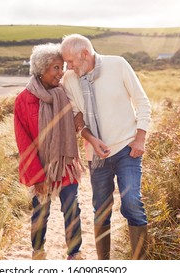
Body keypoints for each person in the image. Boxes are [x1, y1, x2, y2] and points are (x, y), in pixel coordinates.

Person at [60, 34, 152, 260]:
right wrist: (91, 140)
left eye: (70, 61)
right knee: (101, 211)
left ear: (85, 54)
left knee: (132, 203)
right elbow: (77, 120)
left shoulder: (118, 64)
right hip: (97, 156)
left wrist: (140, 139)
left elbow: (142, 102)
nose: (67, 66)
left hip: (127, 149)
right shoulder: (69, 80)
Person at [14, 43, 84, 260]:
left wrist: (79, 116)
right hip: (41, 166)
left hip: (65, 164)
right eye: (55, 68)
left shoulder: (65, 93)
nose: (60, 73)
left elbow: (75, 120)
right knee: (41, 213)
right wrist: (37, 176)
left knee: (71, 207)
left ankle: (74, 253)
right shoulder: (24, 100)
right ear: (41, 70)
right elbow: (24, 142)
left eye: (61, 67)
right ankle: (38, 252)